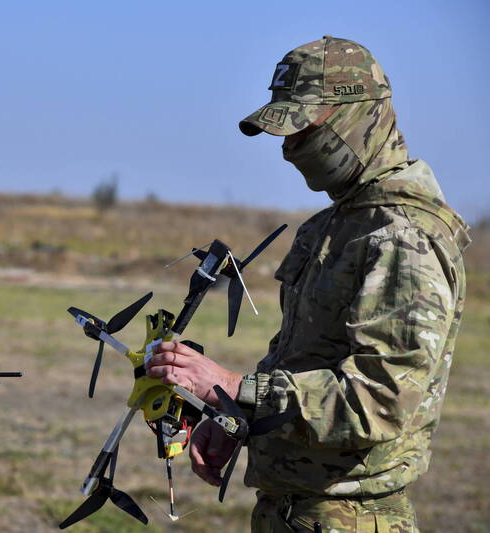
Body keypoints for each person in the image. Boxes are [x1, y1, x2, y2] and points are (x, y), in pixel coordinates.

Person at [146, 36, 470, 532]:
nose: (288, 150)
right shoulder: (330, 228)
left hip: (351, 518)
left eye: (302, 128)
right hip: (295, 512)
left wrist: (234, 386)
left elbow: (378, 402)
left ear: (358, 116)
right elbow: (300, 360)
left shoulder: (403, 238)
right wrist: (240, 417)